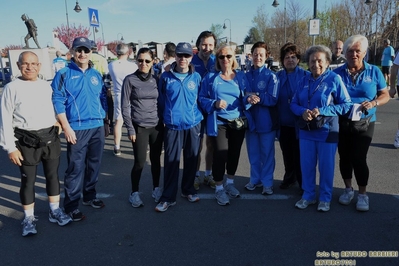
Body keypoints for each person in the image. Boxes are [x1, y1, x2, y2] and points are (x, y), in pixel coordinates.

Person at [0, 51, 72, 237]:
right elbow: (5, 119)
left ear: (39, 66)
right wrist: (11, 148)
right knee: (28, 181)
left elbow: (58, 105)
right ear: (18, 65)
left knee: (52, 176)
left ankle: (54, 210)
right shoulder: (11, 88)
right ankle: (29, 218)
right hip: (25, 141)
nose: (29, 67)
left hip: (49, 138)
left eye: (33, 63)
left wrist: (58, 123)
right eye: (25, 63)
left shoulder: (47, 86)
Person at [51, 37, 108, 221]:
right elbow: (57, 100)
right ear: (72, 51)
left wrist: (105, 121)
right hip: (76, 128)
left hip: (97, 126)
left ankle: (89, 196)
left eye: (86, 50)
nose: (82, 54)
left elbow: (103, 98)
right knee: (75, 168)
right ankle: (71, 205)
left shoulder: (95, 74)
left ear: (91, 52)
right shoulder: (64, 74)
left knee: (94, 165)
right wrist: (66, 127)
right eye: (78, 50)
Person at [290, 45, 352, 212]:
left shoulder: (334, 79)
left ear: (327, 62)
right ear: (307, 63)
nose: (315, 64)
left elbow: (346, 105)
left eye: (319, 60)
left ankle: (325, 198)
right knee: (307, 166)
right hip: (306, 131)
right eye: (312, 61)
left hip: (327, 131)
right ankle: (308, 195)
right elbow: (294, 103)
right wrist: (302, 112)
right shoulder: (303, 80)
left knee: (326, 167)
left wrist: (322, 111)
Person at [334, 35, 390, 211]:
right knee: (344, 157)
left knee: (358, 157)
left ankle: (363, 194)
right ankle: (348, 189)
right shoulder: (337, 73)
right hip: (343, 120)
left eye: (358, 51)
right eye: (350, 51)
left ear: (364, 53)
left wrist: (374, 103)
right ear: (345, 53)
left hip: (365, 122)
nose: (354, 54)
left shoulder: (374, 71)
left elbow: (385, 95)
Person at [199, 44, 249, 206]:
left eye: (228, 56)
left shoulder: (241, 77)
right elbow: (201, 98)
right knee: (220, 154)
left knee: (234, 154)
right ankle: (219, 188)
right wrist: (214, 103)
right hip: (219, 122)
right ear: (217, 60)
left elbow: (246, 98)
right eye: (221, 57)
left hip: (237, 122)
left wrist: (249, 100)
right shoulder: (211, 78)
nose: (225, 59)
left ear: (233, 58)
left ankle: (230, 184)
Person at [156, 42, 203, 212]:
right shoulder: (166, 77)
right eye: (180, 55)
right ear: (174, 56)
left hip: (193, 124)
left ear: (191, 57)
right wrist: (164, 119)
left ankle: (188, 190)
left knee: (191, 158)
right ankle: (168, 196)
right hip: (173, 126)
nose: (183, 59)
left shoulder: (197, 78)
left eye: (186, 55)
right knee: (171, 162)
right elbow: (160, 101)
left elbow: (201, 100)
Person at [121, 48, 163, 207]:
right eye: (140, 60)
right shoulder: (130, 80)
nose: (143, 63)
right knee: (139, 162)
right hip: (139, 127)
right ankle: (134, 192)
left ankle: (156, 188)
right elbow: (125, 106)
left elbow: (161, 102)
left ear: (153, 62)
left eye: (147, 61)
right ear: (136, 61)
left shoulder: (156, 79)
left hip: (157, 127)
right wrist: (130, 129)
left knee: (156, 159)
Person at [244, 42, 279, 195]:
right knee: (253, 153)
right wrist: (247, 99)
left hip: (266, 123)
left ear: (266, 57)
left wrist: (257, 97)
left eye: (261, 55)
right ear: (251, 55)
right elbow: (241, 95)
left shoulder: (272, 76)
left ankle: (267, 182)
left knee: (267, 154)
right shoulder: (245, 75)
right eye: (255, 54)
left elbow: (273, 98)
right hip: (250, 122)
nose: (258, 57)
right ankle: (254, 179)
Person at [277, 42, 307, 191]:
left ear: (298, 59)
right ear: (282, 60)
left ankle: (303, 183)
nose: (290, 60)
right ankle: (289, 177)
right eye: (287, 57)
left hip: (300, 124)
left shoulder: (305, 76)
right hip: (283, 123)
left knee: (300, 155)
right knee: (287, 154)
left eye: (293, 57)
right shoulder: (277, 76)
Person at [191, 31, 217, 190]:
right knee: (197, 146)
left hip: (212, 110)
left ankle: (208, 175)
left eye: (210, 45)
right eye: (204, 44)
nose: (207, 48)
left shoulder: (217, 61)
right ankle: (195, 176)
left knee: (211, 144)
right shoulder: (191, 62)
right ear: (198, 45)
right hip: (196, 111)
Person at [108, 43, 138, 155]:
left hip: (118, 94)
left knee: (118, 121)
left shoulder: (111, 65)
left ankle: (117, 146)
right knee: (135, 120)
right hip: (131, 94)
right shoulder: (133, 66)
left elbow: (107, 79)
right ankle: (137, 144)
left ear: (116, 52)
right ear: (128, 52)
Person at [90, 41, 114, 135]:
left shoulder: (88, 58)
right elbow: (106, 74)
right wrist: (108, 88)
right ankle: (109, 125)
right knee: (108, 105)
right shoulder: (102, 59)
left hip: (91, 86)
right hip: (101, 86)